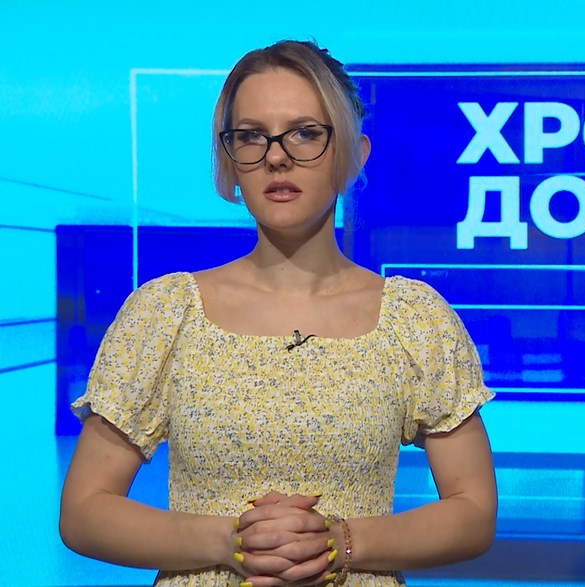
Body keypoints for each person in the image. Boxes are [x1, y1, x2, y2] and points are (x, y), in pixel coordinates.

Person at [59, 39, 497, 587]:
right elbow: (84, 510)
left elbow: (473, 510)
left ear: (354, 154)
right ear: (230, 159)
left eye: (305, 133)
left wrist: (341, 543)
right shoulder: (166, 314)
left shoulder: (414, 320)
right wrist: (229, 542)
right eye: (251, 136)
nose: (276, 156)